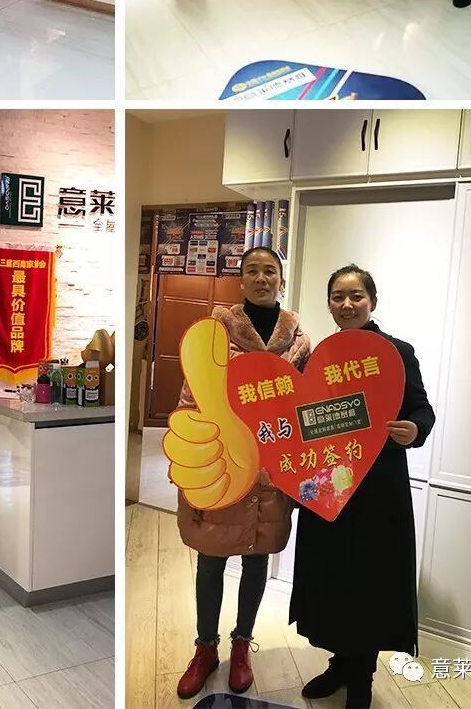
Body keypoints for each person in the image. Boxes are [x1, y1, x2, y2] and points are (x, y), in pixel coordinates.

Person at [168, 244, 311, 700]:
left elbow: (306, 409)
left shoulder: (300, 343)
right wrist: (189, 458)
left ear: (281, 281)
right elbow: (190, 400)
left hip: (272, 471)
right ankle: (205, 648)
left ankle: (242, 644)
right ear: (241, 279)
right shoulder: (215, 334)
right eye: (253, 270)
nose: (261, 278)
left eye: (270, 271)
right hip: (223, 464)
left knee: (256, 557)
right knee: (211, 558)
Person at [291, 262, 435, 709]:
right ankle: (340, 664)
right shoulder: (320, 355)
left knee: (369, 583)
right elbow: (304, 416)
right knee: (332, 579)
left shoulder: (397, 352)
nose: (347, 304)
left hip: (378, 489)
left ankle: (361, 679)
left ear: (372, 301)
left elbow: (422, 409)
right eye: (338, 296)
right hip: (329, 485)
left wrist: (415, 428)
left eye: (356, 295)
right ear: (329, 305)